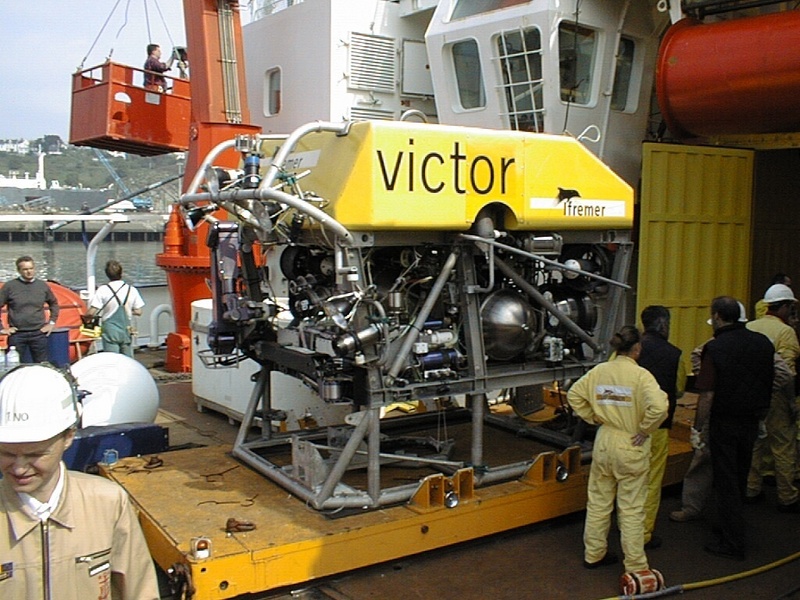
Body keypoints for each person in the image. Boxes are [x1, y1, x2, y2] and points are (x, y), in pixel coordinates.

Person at [0, 364, 160, 599]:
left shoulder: (108, 503)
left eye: (35, 454)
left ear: (68, 436)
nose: (19, 467)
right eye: (7, 453)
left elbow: (140, 592)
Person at [567, 326, 668, 574]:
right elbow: (659, 407)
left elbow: (574, 395)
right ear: (637, 349)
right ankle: (635, 565)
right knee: (632, 508)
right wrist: (645, 430)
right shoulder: (642, 376)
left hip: (604, 440)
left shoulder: (600, 371)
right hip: (631, 441)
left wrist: (593, 417)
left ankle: (594, 554)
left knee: (599, 502)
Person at [695, 296, 774, 560]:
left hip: (725, 422)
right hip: (751, 421)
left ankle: (732, 541)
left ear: (717, 316)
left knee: (726, 480)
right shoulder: (763, 343)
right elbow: (770, 380)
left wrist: (697, 427)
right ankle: (733, 526)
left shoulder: (714, 348)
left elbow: (707, 394)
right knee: (740, 477)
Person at [744, 283, 800, 512]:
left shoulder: (750, 326)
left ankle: (751, 488)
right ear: (784, 307)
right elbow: (787, 372)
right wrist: (791, 402)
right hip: (776, 396)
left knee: (756, 443)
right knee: (783, 445)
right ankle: (787, 496)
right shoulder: (785, 332)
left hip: (752, 394)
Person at [637, 306, 685, 549]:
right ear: (664, 325)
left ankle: (622, 525)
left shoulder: (628, 351)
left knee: (625, 481)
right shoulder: (674, 354)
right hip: (657, 428)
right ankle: (643, 534)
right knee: (651, 481)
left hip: (626, 427)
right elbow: (679, 389)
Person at [0, 256, 59, 363]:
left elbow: (54, 304)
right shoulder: (9, 287)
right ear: (19, 271)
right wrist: (2, 329)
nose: (29, 272)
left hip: (39, 333)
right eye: (25, 269)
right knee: (15, 367)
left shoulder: (42, 286)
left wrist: (51, 322)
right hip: (17, 334)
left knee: (41, 365)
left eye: (31, 268)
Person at [89, 260, 144, 357]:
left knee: (112, 359)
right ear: (121, 273)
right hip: (126, 330)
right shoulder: (131, 290)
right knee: (128, 360)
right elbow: (139, 311)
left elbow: (92, 312)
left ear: (107, 274)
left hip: (110, 331)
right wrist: (129, 310)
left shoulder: (103, 290)